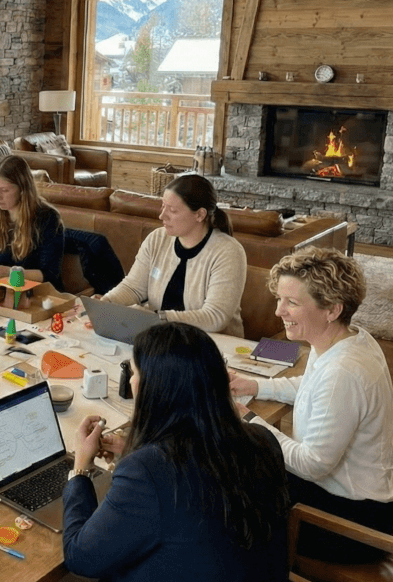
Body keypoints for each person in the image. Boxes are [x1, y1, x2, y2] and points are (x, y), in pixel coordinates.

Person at [64, 321, 290, 581]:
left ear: (155, 388)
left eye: (135, 373)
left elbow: (81, 557)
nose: (131, 382)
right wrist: (134, 452)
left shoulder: (146, 472)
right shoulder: (262, 439)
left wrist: (80, 468)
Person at [230, 247, 393, 562]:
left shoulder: (343, 372)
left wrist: (249, 418)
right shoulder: (347, 339)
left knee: (226, 505)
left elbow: (312, 464)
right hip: (347, 496)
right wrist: (254, 385)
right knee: (235, 475)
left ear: (332, 309)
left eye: (291, 302)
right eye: (280, 299)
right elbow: (312, 386)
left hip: (350, 523)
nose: (279, 311)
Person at [102, 173, 246, 336]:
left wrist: (158, 318)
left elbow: (215, 317)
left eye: (172, 210)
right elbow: (133, 288)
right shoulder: (157, 238)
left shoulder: (228, 251)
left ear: (200, 214)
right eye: (163, 206)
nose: (162, 216)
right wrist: (106, 302)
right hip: (162, 336)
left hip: (211, 345)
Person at [0, 154, 66, 291]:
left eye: (5, 190)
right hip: (0, 293)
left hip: (36, 295)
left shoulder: (48, 218)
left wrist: (10, 273)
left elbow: (50, 274)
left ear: (22, 190)